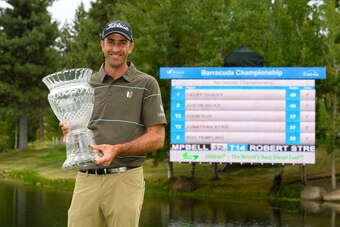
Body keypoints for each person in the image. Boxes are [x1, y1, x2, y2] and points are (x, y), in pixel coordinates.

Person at [59, 20, 167, 227]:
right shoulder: (86, 84)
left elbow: (157, 138)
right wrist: (69, 129)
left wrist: (117, 150)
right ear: (102, 45)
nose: (116, 48)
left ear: (131, 47)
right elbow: (76, 130)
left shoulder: (146, 83)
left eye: (122, 42)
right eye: (111, 42)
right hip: (86, 178)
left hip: (125, 178)